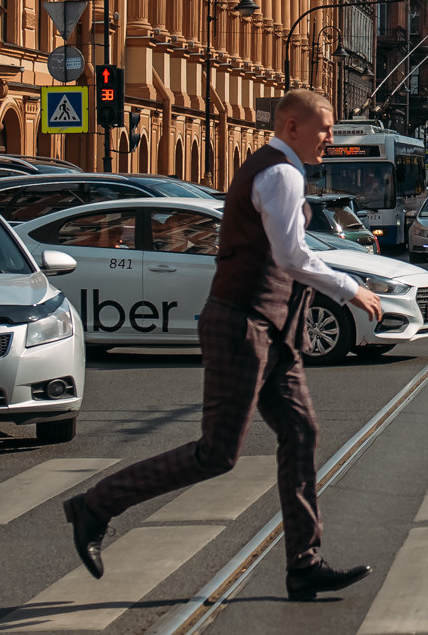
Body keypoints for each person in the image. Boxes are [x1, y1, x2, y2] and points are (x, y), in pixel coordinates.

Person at [62, 89, 384, 597]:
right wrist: (351, 288)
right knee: (217, 453)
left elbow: (287, 256)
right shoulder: (280, 173)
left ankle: (304, 564)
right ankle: (95, 505)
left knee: (301, 433)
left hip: (272, 329)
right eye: (324, 128)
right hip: (242, 323)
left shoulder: (281, 170)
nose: (330, 137)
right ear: (292, 126)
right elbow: (291, 255)